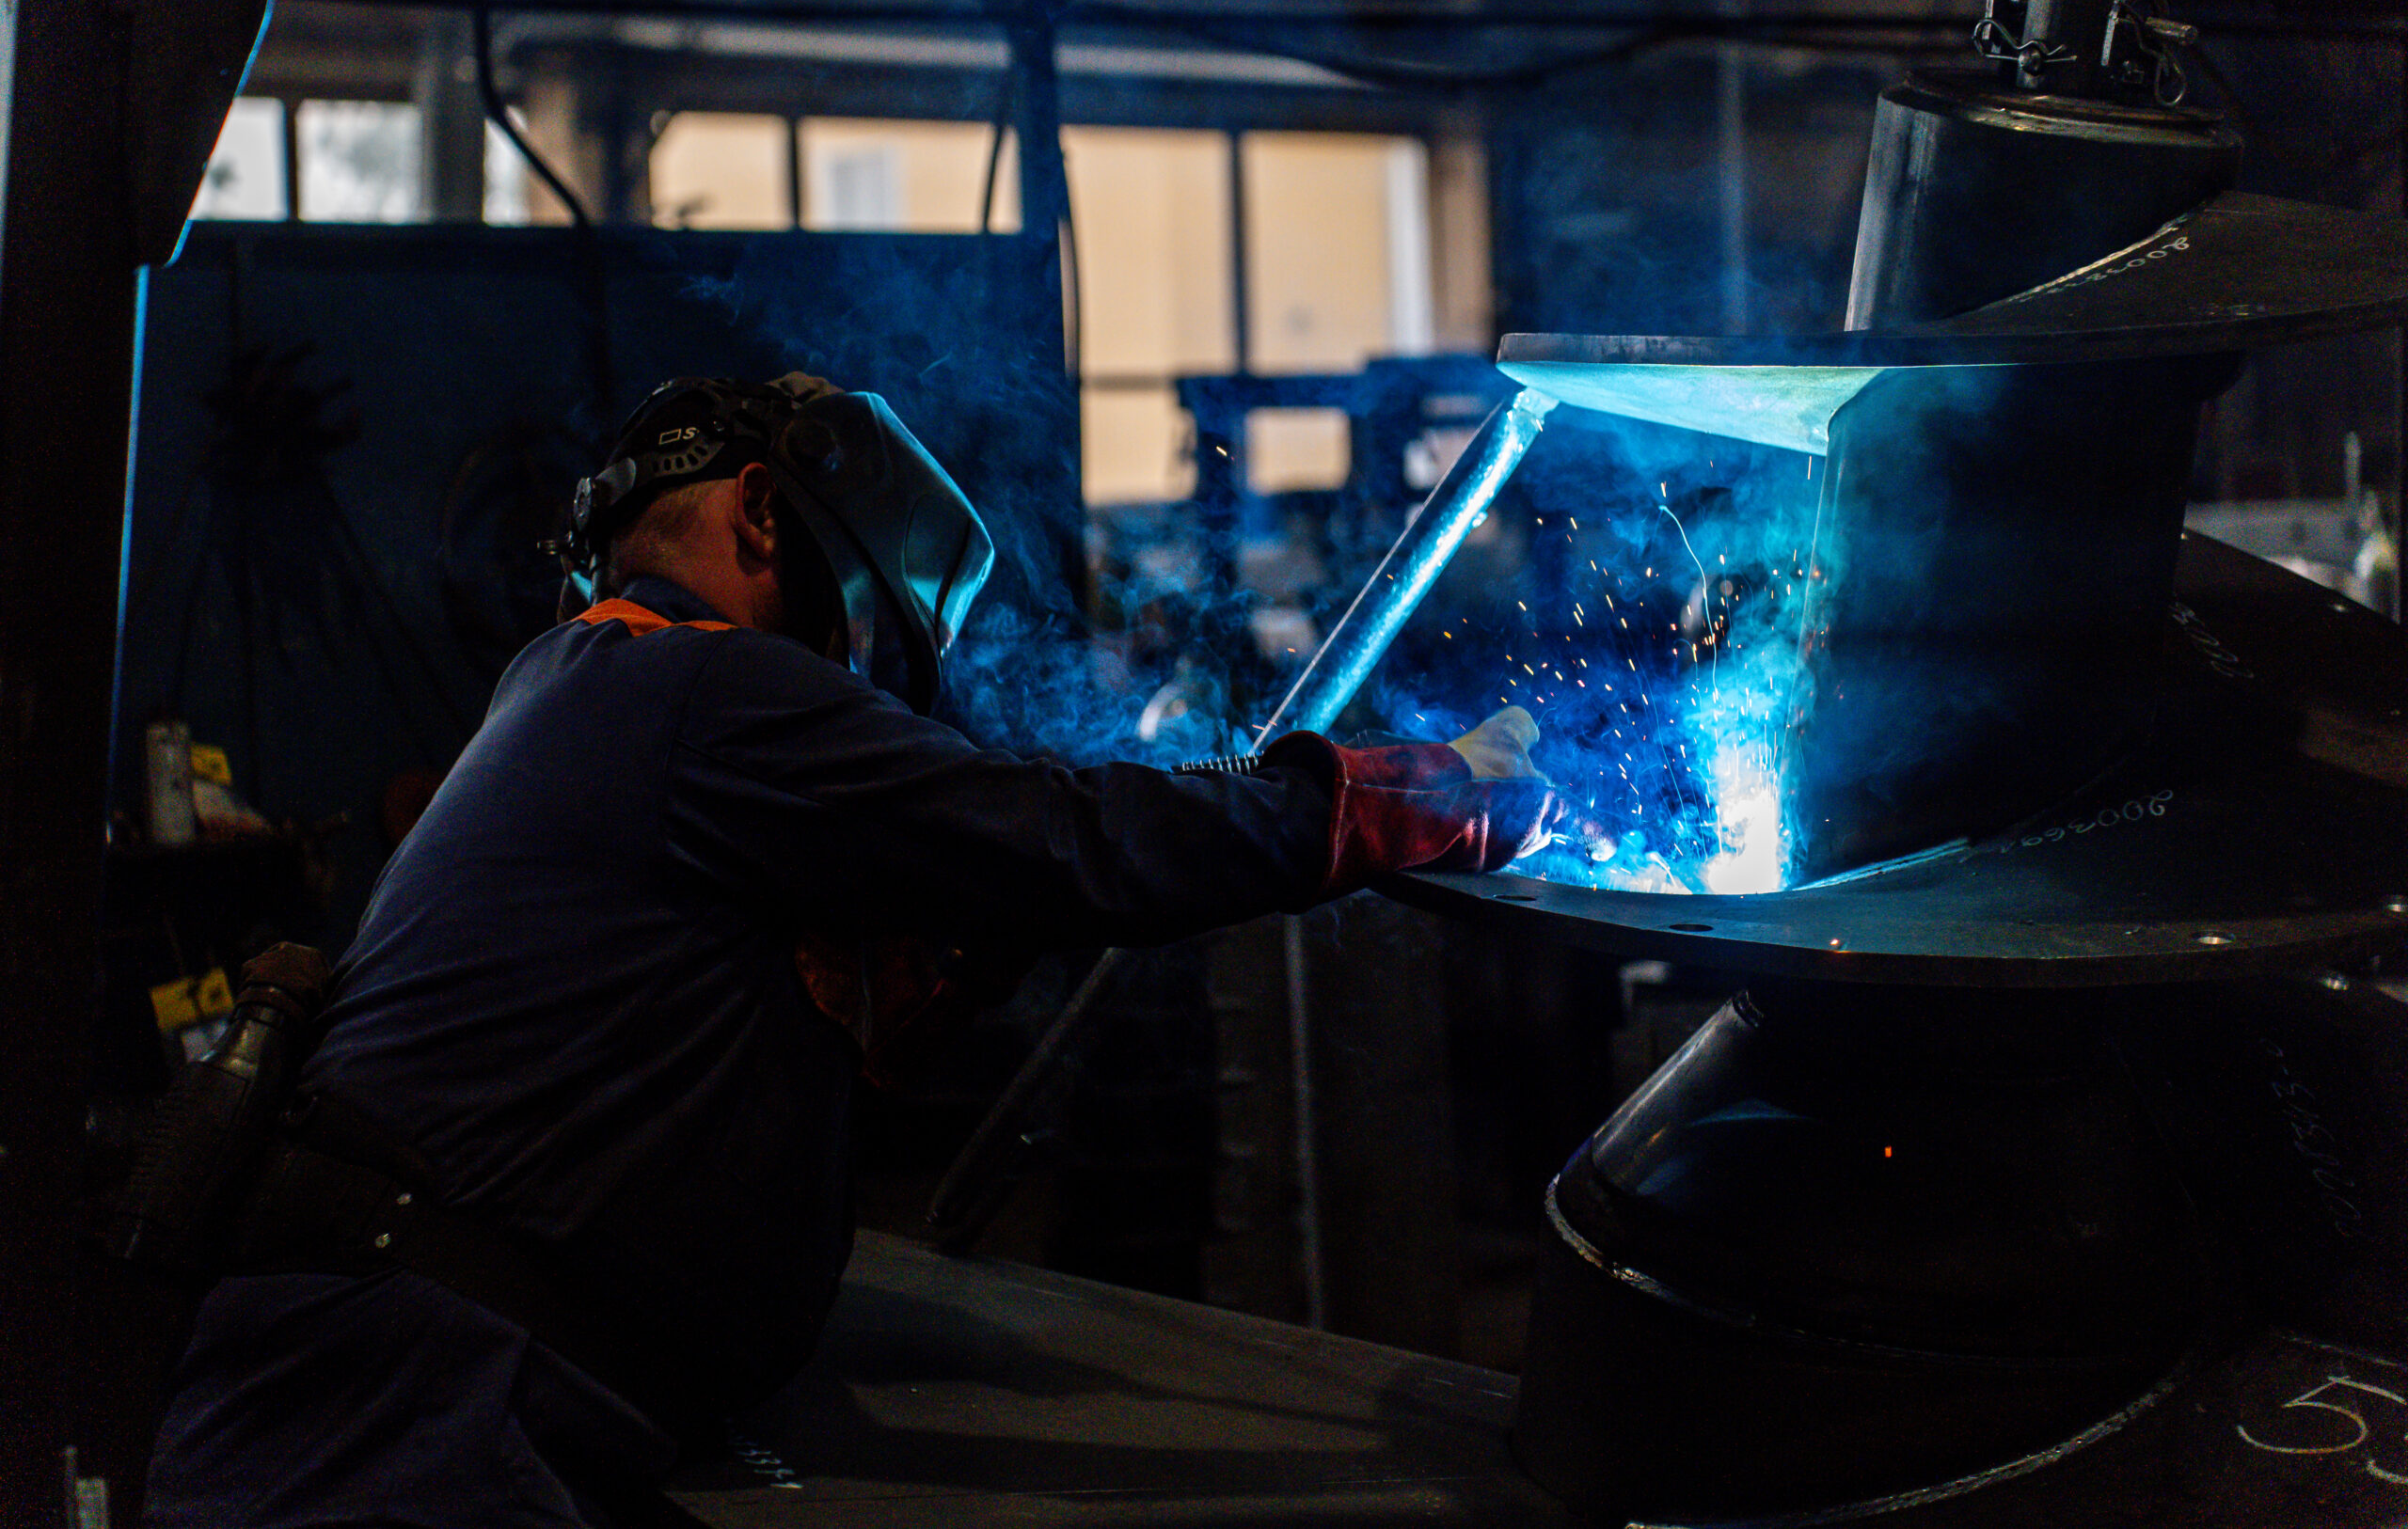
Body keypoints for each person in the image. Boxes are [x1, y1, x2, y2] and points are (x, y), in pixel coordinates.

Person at [145, 373, 1559, 1528]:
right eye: (854, 636)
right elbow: (1066, 839)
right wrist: (1410, 797)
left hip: (405, 1389)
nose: (850, 688)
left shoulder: (581, 691)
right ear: (765, 513)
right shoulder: (691, 682)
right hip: (405, 1427)